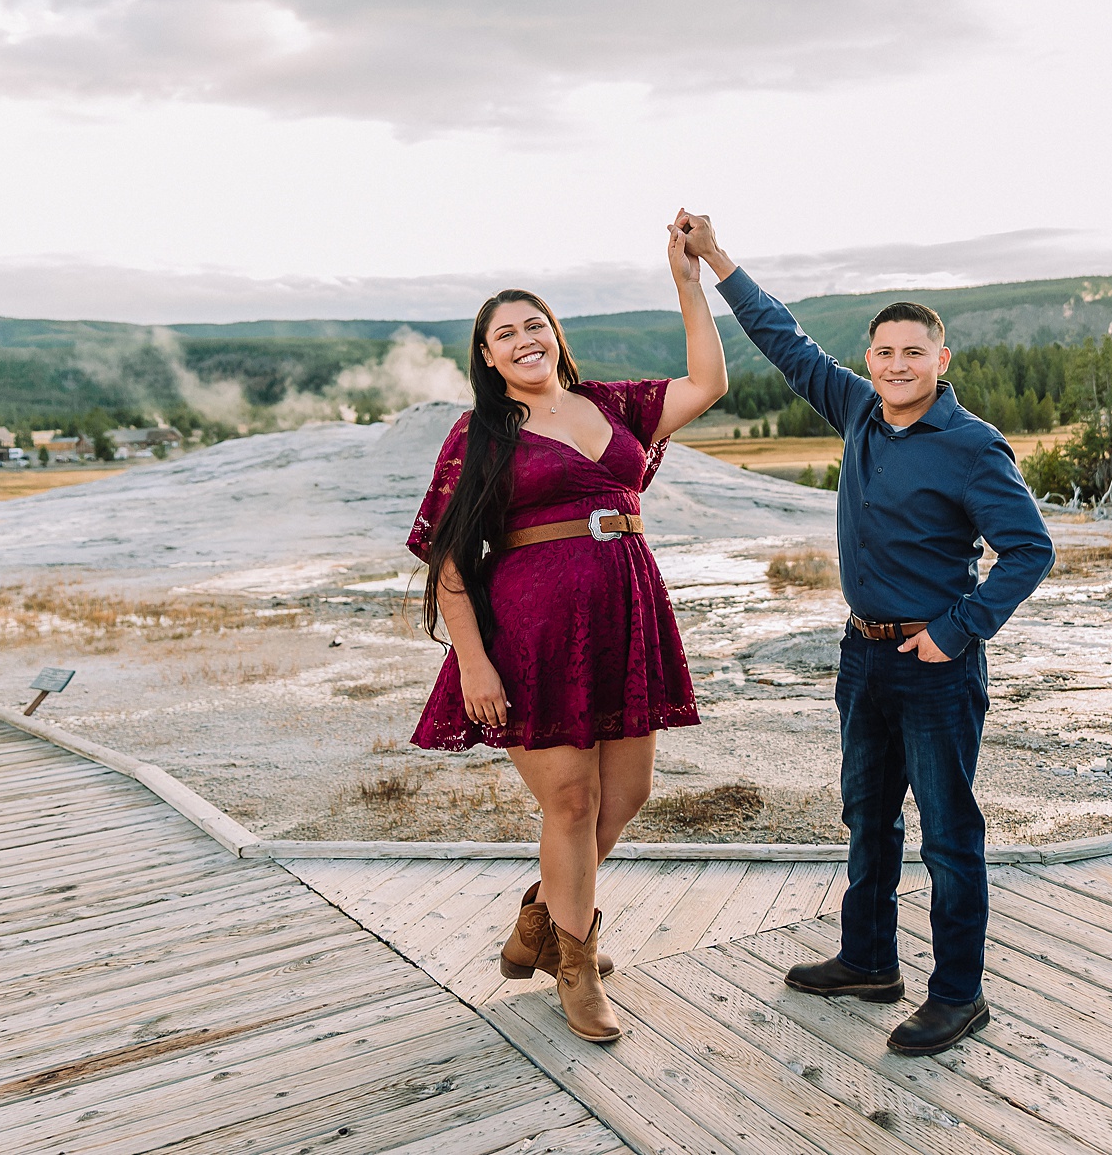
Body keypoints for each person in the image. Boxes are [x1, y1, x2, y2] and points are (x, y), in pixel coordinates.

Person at [681, 211, 1055, 1057]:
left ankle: (959, 994)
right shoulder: (856, 407)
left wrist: (959, 631)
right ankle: (868, 958)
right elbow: (784, 340)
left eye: (911, 352)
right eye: (883, 351)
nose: (894, 365)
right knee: (868, 817)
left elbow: (1030, 549)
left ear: (941, 360)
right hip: (863, 655)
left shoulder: (970, 446)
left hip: (934, 664)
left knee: (950, 836)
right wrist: (715, 259)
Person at [406, 224, 726, 1043]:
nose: (524, 339)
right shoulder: (480, 435)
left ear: (557, 335)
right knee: (572, 799)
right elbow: (448, 556)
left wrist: (687, 279)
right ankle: (576, 966)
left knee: (625, 797)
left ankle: (537, 925)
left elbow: (708, 382)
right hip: (531, 632)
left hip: (626, 615)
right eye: (504, 333)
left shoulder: (611, 406)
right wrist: (474, 663)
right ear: (486, 356)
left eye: (534, 324)